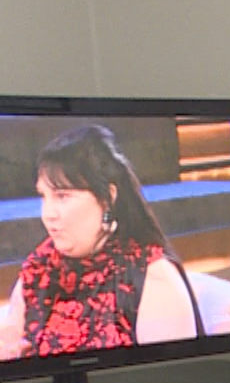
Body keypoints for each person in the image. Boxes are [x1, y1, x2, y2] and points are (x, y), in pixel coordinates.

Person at [0, 124, 201, 360]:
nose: (48, 214)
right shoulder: (39, 269)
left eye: (62, 196)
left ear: (107, 198)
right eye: (44, 197)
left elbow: (173, 376)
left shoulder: (149, 279)